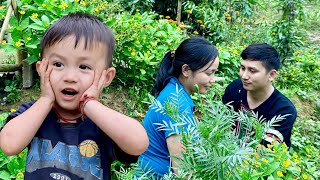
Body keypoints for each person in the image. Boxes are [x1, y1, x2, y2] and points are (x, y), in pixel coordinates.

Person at [0, 12, 149, 180]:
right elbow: (9, 145)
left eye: (84, 67)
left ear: (106, 77)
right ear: (41, 69)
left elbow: (139, 143)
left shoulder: (103, 123)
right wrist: (45, 100)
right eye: (58, 64)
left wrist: (89, 104)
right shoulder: (34, 113)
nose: (70, 77)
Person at [137, 37, 219, 178]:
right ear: (186, 70)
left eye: (215, 72)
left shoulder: (174, 92)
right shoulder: (176, 103)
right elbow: (183, 170)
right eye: (208, 73)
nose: (213, 79)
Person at [222, 43, 297, 148]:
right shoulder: (235, 88)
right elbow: (221, 123)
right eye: (243, 68)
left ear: (271, 75)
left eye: (252, 71)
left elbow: (266, 152)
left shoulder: (283, 110)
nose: (244, 76)